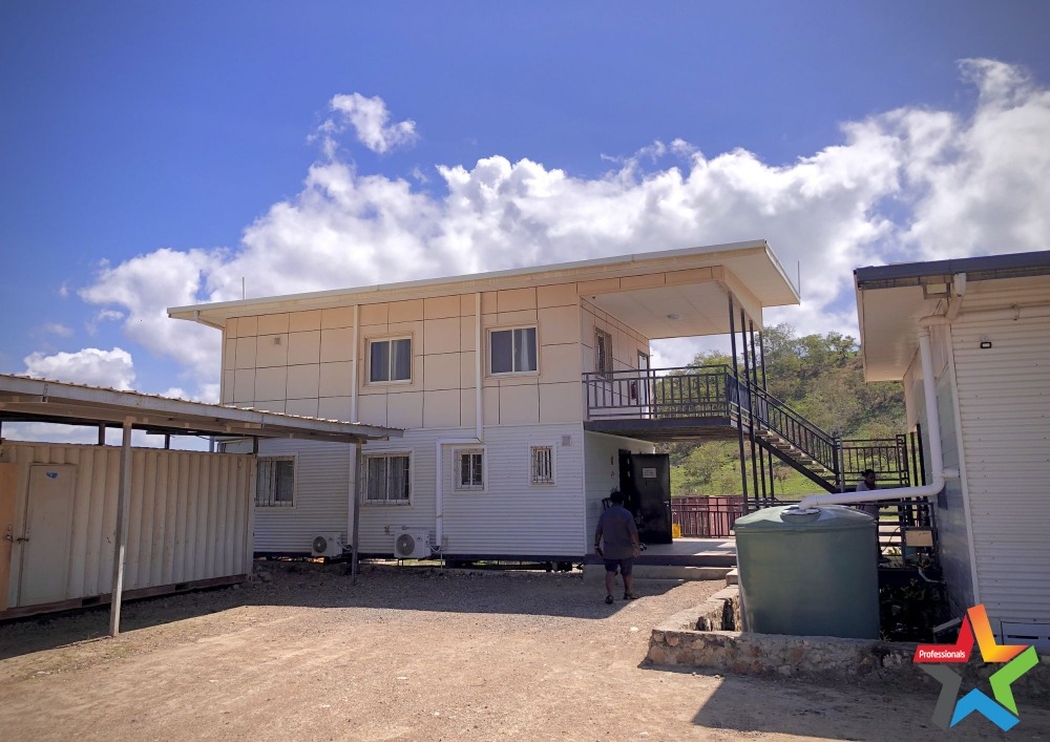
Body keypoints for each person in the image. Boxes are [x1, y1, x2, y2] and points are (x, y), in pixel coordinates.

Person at [594, 489, 641, 604]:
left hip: (610, 550)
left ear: (611, 501)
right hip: (626, 549)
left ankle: (610, 595)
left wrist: (596, 544)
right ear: (622, 501)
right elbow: (633, 532)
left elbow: (598, 532)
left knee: (610, 572)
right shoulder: (627, 514)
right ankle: (628, 592)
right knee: (627, 572)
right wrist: (637, 546)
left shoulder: (605, 514)